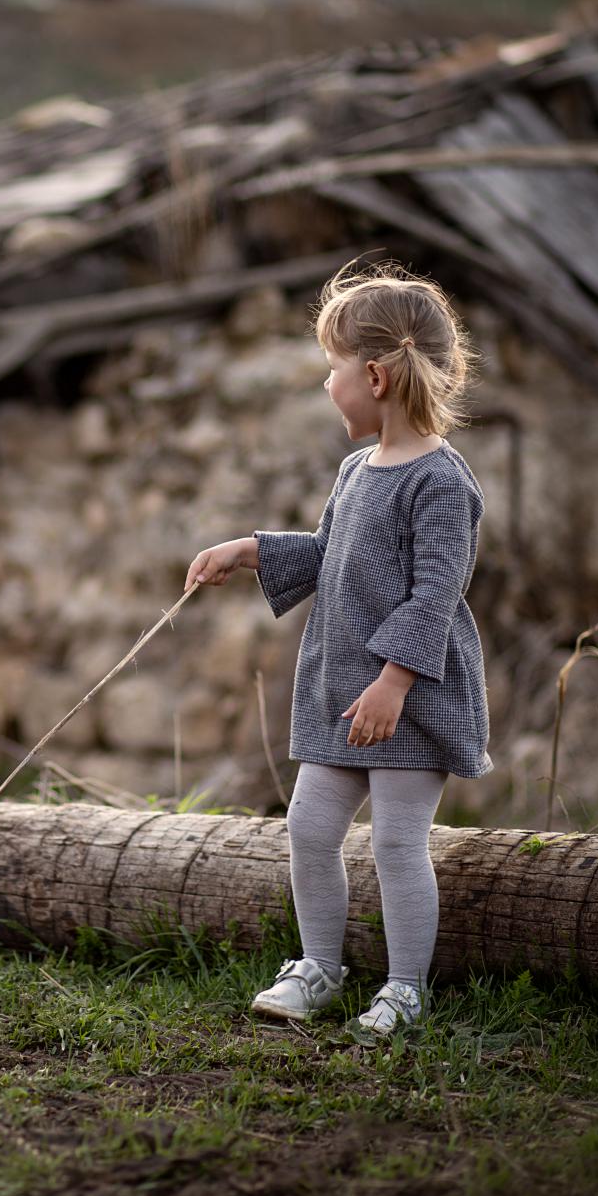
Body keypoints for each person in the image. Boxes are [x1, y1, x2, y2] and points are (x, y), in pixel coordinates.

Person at [185, 264, 490, 1039]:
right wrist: (250, 548)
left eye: (332, 370)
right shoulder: (358, 469)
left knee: (395, 841)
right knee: (310, 829)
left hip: (407, 697)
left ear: (377, 376)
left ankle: (405, 989)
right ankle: (319, 967)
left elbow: (437, 592)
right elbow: (330, 552)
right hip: (342, 691)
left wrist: (394, 682)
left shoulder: (442, 482)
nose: (327, 386)